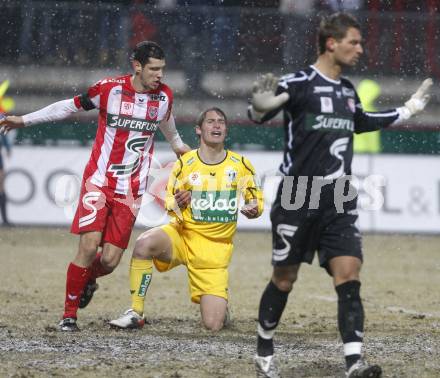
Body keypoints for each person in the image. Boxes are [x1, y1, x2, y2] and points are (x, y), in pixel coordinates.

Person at [248, 13, 432, 378]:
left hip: (339, 195)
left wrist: (408, 109)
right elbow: (259, 113)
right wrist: (258, 106)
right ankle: (264, 348)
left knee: (349, 273)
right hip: (298, 195)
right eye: (354, 42)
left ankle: (354, 362)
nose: (360, 49)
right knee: (284, 278)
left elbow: (362, 122)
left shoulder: (347, 90)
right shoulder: (298, 82)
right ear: (332, 43)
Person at [0, 41, 191, 332]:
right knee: (88, 247)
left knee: (111, 261)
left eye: (162, 69)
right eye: (154, 69)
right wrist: (24, 120)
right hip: (98, 184)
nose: (159, 75)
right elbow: (68, 106)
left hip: (131, 190)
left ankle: (88, 278)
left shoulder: (164, 96)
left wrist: (178, 145)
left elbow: (168, 125)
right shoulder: (109, 89)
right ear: (136, 66)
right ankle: (68, 315)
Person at [109, 107, 263, 331]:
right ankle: (136, 312)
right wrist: (178, 203)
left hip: (214, 252)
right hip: (183, 236)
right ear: (199, 130)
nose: (217, 125)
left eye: (221, 121)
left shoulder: (240, 165)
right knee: (144, 244)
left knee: (213, 325)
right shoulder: (185, 163)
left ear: (226, 130)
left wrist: (253, 208)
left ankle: (220, 307)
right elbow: (169, 204)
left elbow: (256, 202)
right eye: (210, 121)